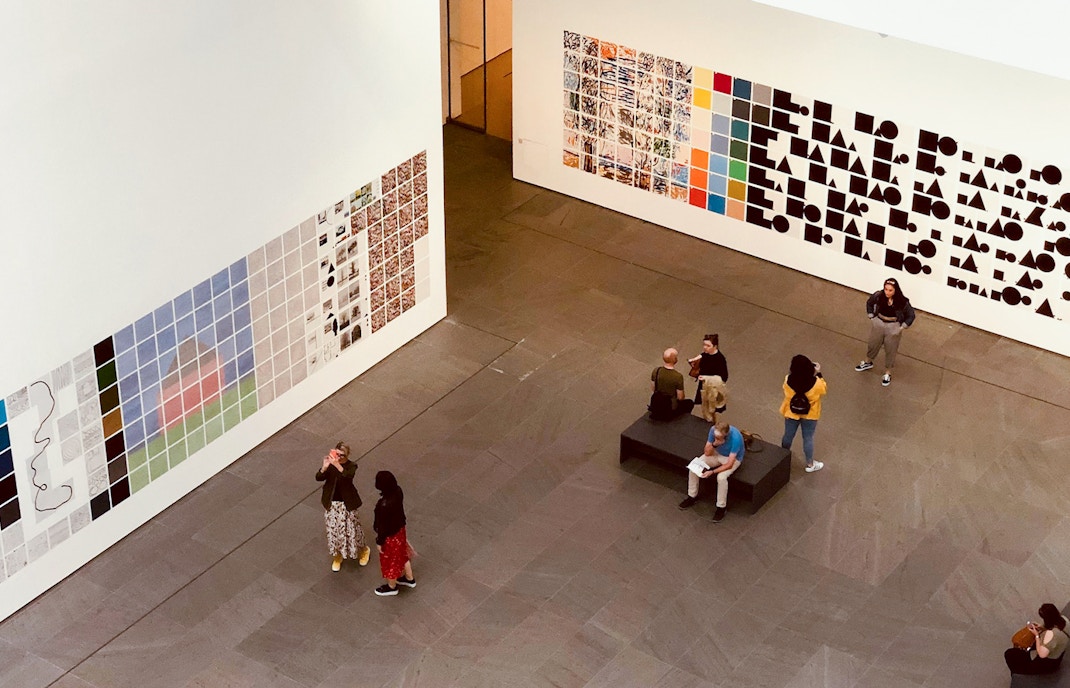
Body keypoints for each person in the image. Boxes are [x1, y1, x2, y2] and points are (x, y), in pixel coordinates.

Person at [315, 442, 370, 571]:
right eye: (337, 454)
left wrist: (337, 465)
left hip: (347, 504)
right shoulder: (331, 465)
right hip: (332, 503)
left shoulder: (351, 466)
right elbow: (319, 477)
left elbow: (347, 477)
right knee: (334, 531)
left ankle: (363, 550)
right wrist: (324, 467)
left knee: (353, 529)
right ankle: (337, 554)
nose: (339, 458)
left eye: (342, 456)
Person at [677, 421, 744, 523]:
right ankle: (692, 496)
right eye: (715, 437)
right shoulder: (713, 430)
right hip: (717, 453)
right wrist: (715, 444)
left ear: (725, 435)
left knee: (721, 477)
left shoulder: (736, 438)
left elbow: (730, 464)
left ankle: (721, 507)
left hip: (731, 459)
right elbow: (707, 453)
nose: (716, 438)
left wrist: (712, 472)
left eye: (719, 438)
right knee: (695, 466)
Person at [854, 277, 916, 387]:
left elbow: (911, 315)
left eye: (890, 290)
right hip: (879, 322)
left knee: (891, 349)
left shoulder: (902, 302)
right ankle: (868, 362)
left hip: (893, 325)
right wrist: (871, 316)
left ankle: (888, 373)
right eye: (886, 289)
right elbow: (869, 303)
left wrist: (901, 327)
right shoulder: (879, 296)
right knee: (873, 344)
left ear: (895, 290)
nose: (887, 292)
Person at [780, 354, 828, 474]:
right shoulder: (815, 382)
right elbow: (824, 389)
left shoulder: (788, 379)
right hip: (810, 415)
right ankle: (810, 464)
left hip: (792, 412)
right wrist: (818, 374)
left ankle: (781, 457)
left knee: (788, 435)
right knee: (808, 438)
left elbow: (786, 391)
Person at [372, 470, 416, 596]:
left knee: (390, 561)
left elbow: (383, 526)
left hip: (390, 536)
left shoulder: (384, 505)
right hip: (400, 530)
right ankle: (409, 578)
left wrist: (379, 542)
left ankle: (392, 587)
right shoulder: (398, 491)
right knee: (402, 554)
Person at [1005, 603, 1069, 675]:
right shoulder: (1064, 620)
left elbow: (1042, 654)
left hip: (1048, 664)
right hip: (1058, 653)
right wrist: (1042, 627)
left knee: (1009, 654)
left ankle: (1017, 673)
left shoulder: (1051, 634)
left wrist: (1036, 636)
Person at [688, 334, 728, 420]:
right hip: (704, 385)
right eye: (704, 345)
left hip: (713, 387)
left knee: (713, 408)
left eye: (708, 345)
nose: (705, 347)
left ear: (715, 346)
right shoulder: (705, 355)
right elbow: (701, 359)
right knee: (705, 405)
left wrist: (706, 378)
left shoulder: (720, 359)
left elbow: (724, 377)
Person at [649, 348, 694, 419]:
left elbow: (653, 388)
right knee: (690, 403)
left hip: (656, 404)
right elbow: (680, 397)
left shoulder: (656, 370)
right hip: (669, 407)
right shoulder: (677, 376)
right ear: (675, 359)